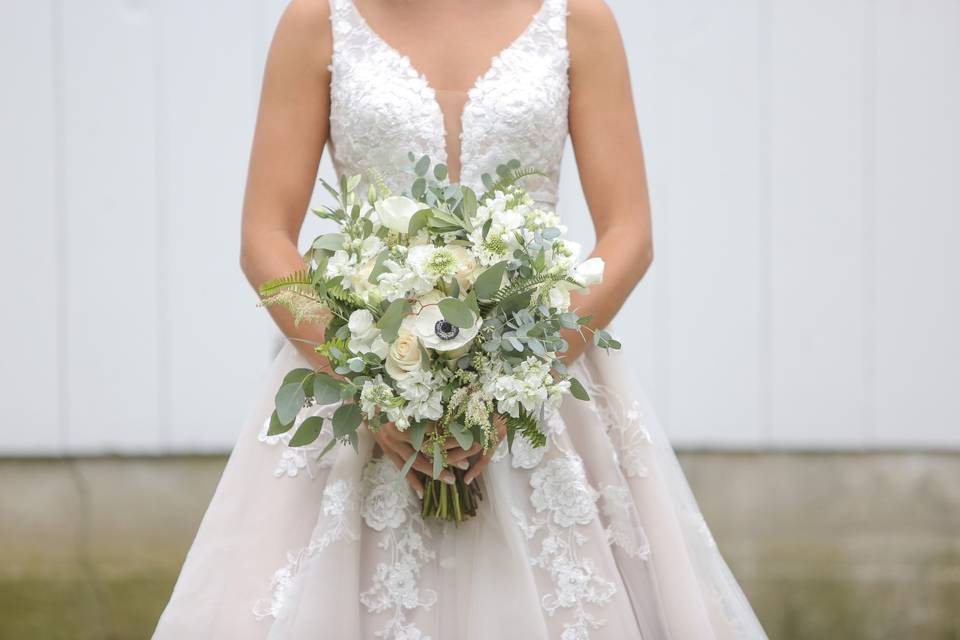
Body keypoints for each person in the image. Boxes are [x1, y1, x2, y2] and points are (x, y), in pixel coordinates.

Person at [154, 0, 768, 637]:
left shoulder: (578, 21)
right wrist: (367, 383)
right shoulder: (318, 20)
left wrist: (517, 382)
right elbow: (265, 240)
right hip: (359, 370)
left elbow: (630, 234)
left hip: (542, 373)